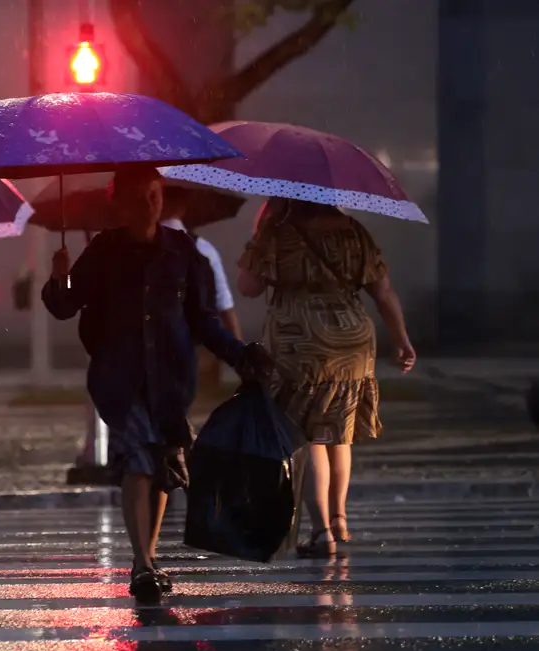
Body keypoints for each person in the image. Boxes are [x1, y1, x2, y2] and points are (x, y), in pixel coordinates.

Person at [42, 166, 272, 603]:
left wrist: (241, 355)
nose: (148, 205)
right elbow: (65, 306)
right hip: (119, 378)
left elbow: (204, 322)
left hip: (170, 378)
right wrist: (60, 276)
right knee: (140, 459)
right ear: (119, 203)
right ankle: (142, 563)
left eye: (154, 196)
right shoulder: (103, 251)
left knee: (164, 466)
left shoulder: (185, 253)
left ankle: (145, 560)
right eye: (138, 198)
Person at [237, 197, 415, 558]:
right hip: (353, 339)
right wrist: (402, 340)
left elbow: (248, 286)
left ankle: (321, 533)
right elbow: (383, 292)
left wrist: (259, 237)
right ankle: (339, 519)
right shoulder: (354, 231)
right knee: (339, 431)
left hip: (302, 341)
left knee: (308, 433)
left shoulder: (276, 233)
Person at [160, 188, 241, 339]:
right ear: (184, 207)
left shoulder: (133, 250)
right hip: (199, 345)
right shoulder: (204, 249)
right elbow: (224, 305)